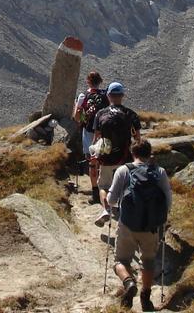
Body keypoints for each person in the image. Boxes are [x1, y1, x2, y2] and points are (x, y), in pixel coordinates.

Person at [107, 139, 172, 310]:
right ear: (149, 153)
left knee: (120, 260)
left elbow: (112, 200)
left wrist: (109, 200)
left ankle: (129, 283)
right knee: (148, 261)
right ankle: (145, 296)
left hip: (127, 224)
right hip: (151, 226)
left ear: (132, 153)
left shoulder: (123, 170)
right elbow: (167, 200)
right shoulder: (159, 172)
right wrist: (161, 219)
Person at [92, 81, 141, 225]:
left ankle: (106, 209)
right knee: (126, 185)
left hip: (106, 156)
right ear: (122, 96)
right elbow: (137, 137)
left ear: (108, 96)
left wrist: (94, 154)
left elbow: (96, 137)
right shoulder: (130, 114)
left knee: (104, 185)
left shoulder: (100, 113)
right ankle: (125, 213)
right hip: (125, 156)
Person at [74, 70, 109, 204]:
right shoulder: (106, 94)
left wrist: (81, 118)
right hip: (104, 131)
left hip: (89, 131)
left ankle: (95, 193)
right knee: (103, 159)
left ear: (88, 81)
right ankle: (104, 189)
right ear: (100, 82)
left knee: (92, 160)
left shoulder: (84, 95)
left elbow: (77, 116)